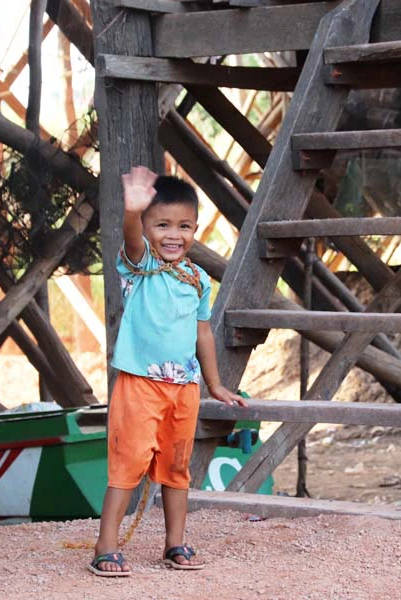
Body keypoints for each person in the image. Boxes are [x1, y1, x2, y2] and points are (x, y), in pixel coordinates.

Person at [89, 167, 246, 577]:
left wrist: (215, 384)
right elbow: (130, 239)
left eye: (183, 226)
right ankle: (105, 547)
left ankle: (174, 544)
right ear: (145, 227)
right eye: (161, 225)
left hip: (184, 389)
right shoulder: (139, 267)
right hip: (139, 386)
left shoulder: (196, 278)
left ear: (196, 228)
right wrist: (131, 212)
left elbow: (204, 333)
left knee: (177, 468)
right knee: (128, 465)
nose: (173, 235)